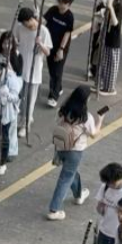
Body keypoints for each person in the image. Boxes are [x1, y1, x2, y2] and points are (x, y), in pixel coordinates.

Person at [47, 86, 99, 221]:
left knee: (70, 172)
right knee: (65, 178)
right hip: (75, 151)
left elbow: (57, 122)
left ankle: (78, 195)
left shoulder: (64, 110)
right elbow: (93, 134)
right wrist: (100, 120)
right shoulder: (86, 117)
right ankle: (54, 210)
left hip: (61, 145)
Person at [14, 7, 53, 138]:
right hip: (20, 68)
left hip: (34, 70)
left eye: (28, 24)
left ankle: (26, 124)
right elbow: (15, 40)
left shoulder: (43, 31)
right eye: (24, 25)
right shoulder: (20, 27)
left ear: (32, 19)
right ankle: (22, 118)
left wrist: (40, 44)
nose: (27, 27)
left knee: (30, 99)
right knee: (20, 97)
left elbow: (47, 52)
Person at [90, 0, 122, 96]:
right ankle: (100, 83)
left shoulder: (118, 5)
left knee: (111, 64)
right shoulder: (110, 3)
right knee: (103, 62)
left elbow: (115, 23)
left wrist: (110, 8)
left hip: (113, 38)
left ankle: (109, 88)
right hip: (105, 35)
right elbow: (103, 13)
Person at [44, 0, 76, 106]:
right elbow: (44, 21)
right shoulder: (53, 10)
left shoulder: (69, 17)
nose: (60, 5)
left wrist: (61, 49)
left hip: (61, 46)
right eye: (59, 2)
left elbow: (67, 34)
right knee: (51, 69)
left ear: (68, 4)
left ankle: (53, 96)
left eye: (62, 3)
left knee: (57, 71)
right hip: (49, 44)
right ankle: (59, 87)